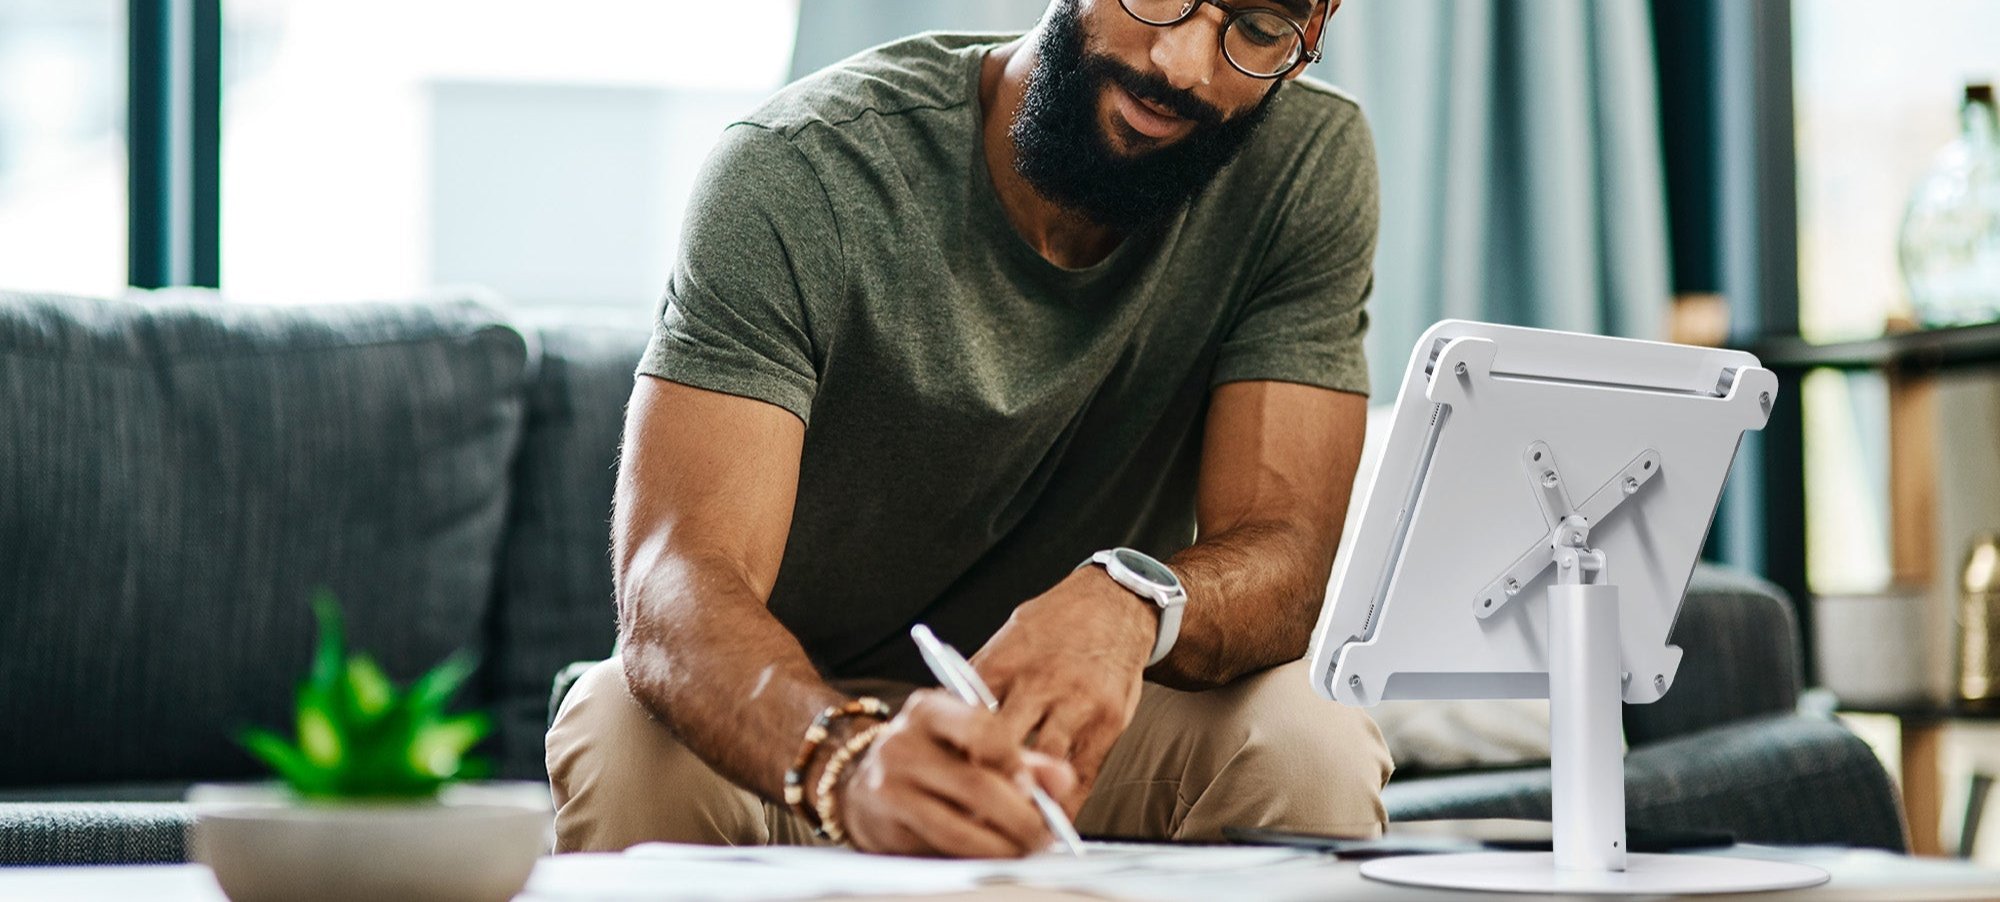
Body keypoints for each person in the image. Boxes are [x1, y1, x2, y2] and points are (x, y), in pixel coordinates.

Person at [547, 0, 1392, 858]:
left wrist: (1133, 600)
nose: (1182, 64)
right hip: (802, 715)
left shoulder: (1305, 163)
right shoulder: (802, 168)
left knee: (1310, 733)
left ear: (1309, 33)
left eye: (1254, 28)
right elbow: (674, 578)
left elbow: (1286, 558)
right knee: (623, 726)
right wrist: (847, 759)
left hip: (1069, 728)